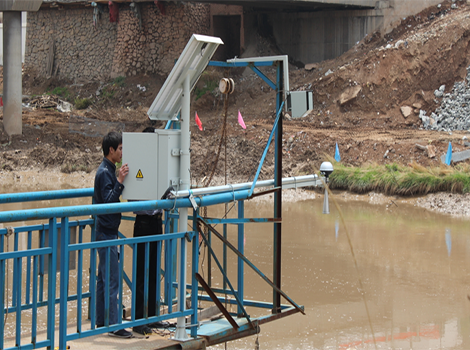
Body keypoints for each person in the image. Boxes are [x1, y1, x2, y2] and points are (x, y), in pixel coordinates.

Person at [94, 131, 132, 338]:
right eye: (120, 148)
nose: (122, 152)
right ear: (111, 150)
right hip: (106, 233)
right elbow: (108, 202)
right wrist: (120, 181)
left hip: (105, 231)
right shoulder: (105, 173)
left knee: (103, 279)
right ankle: (114, 325)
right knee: (112, 280)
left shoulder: (107, 170)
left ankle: (102, 321)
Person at [132, 126, 164, 335]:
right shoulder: (136, 165)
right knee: (141, 272)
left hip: (156, 222)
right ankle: (138, 319)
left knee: (153, 271)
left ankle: (152, 316)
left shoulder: (159, 164)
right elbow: (133, 197)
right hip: (143, 222)